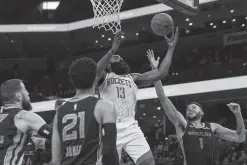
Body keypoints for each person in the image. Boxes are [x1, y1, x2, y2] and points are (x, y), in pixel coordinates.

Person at [146, 51, 246, 165]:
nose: (190, 109)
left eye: (194, 107)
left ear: (202, 113)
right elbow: (162, 97)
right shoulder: (182, 124)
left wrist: (238, 114)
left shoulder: (212, 127)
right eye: (188, 108)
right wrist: (155, 71)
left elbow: (240, 137)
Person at [98, 27, 179, 165]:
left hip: (130, 126)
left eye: (122, 58)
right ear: (109, 66)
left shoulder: (133, 78)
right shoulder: (104, 77)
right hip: (109, 129)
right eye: (117, 58)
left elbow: (161, 73)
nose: (121, 59)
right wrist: (112, 51)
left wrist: (171, 48)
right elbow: (95, 71)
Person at [51, 58, 119, 165]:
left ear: (72, 82)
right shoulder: (104, 106)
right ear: (96, 78)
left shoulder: (59, 113)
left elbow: (55, 161)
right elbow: (109, 151)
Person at [0, 79, 53, 165]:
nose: (28, 93)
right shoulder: (22, 116)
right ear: (18, 95)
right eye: (25, 90)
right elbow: (55, 136)